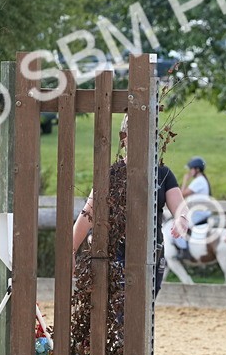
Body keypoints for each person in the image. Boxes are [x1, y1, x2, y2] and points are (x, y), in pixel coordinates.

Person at [72, 115, 190, 296]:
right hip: (117, 253)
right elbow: (88, 213)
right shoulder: (111, 174)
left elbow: (181, 207)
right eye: (134, 135)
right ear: (124, 138)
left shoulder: (163, 173)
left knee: (145, 311)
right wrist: (71, 250)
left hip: (152, 253)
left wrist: (181, 220)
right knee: (122, 313)